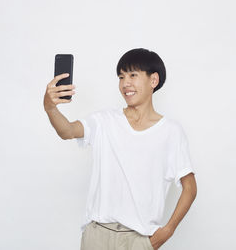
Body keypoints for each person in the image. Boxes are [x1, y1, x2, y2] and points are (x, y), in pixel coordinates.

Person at [44, 48, 197, 250]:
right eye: (121, 76)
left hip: (138, 239)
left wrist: (167, 230)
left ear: (153, 80)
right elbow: (68, 131)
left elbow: (190, 187)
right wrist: (50, 108)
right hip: (97, 236)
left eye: (133, 75)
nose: (125, 83)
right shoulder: (104, 121)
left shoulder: (171, 132)